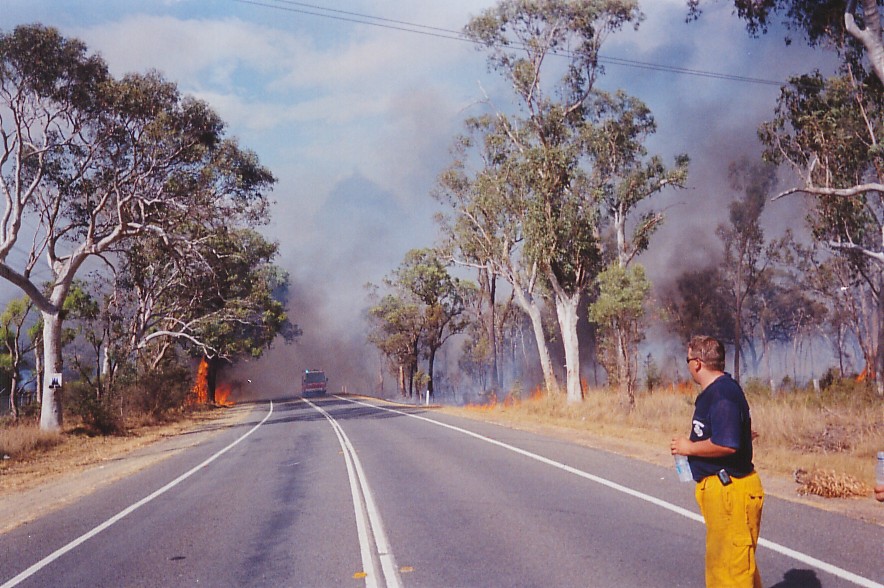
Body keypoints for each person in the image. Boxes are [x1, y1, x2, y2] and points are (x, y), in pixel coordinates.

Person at [671, 335, 764, 588]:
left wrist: (689, 447)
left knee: (730, 575)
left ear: (698, 363)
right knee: (732, 569)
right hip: (723, 494)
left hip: (731, 493)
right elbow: (732, 434)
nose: (688, 365)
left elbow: (726, 443)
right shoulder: (718, 392)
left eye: (688, 359)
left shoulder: (722, 394)